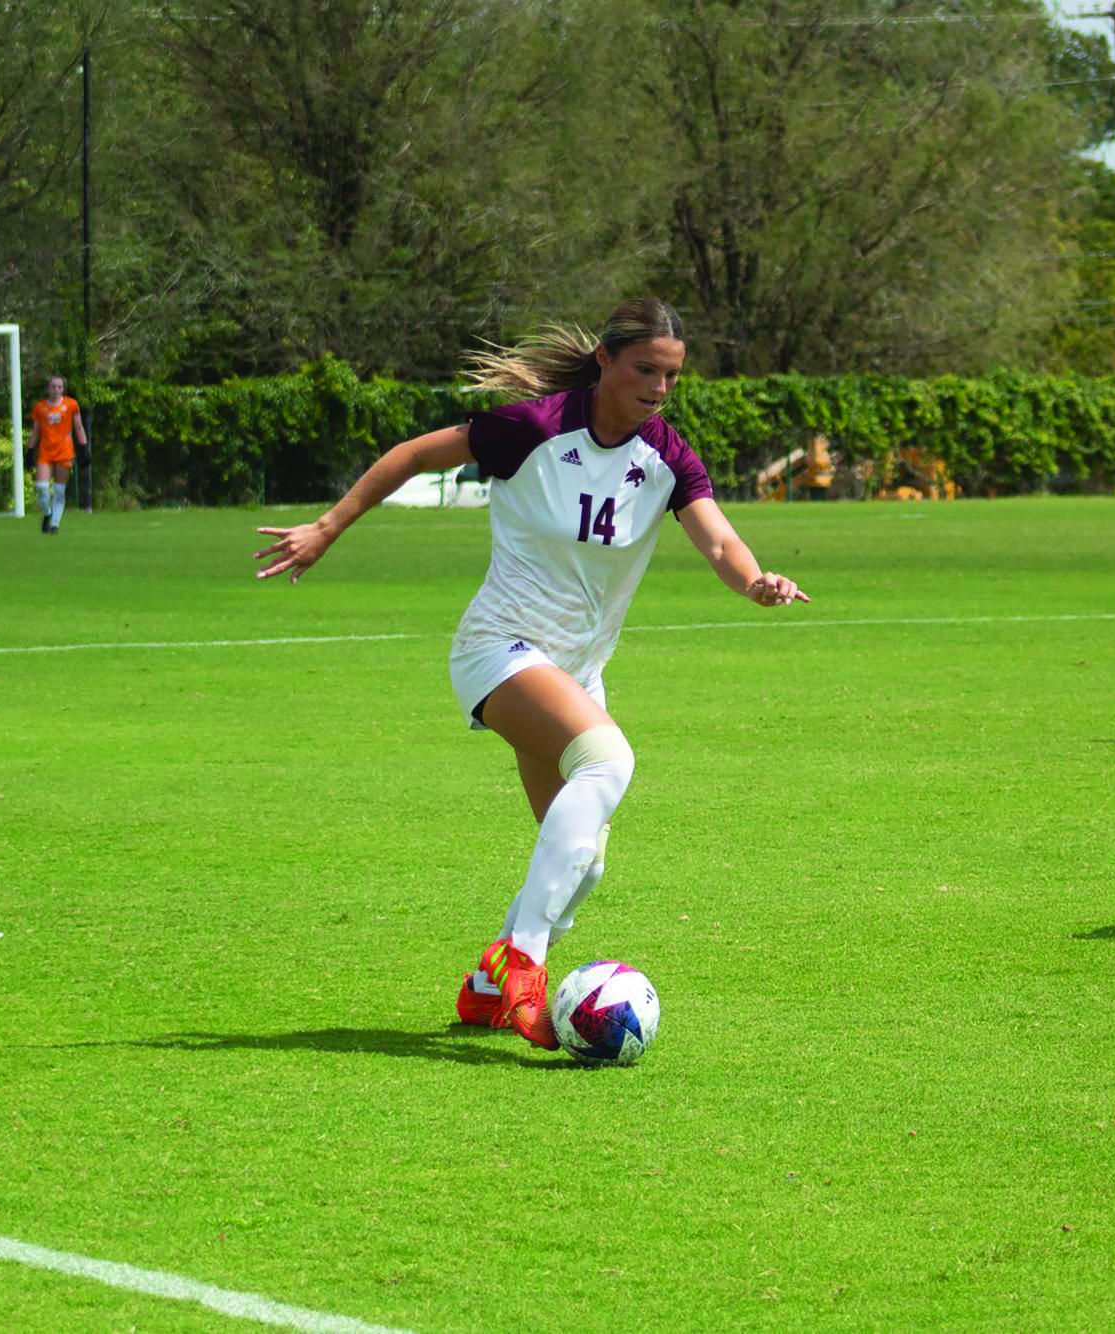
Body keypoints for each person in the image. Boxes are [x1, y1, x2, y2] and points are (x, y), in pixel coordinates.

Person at [253, 299, 809, 1048]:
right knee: (609, 762)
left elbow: (718, 544)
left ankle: (487, 985)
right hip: (501, 648)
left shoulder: (667, 457)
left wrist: (754, 582)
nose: (658, 387)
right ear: (606, 362)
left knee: (582, 861)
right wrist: (328, 525)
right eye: (645, 369)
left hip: (575, 673)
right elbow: (413, 456)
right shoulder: (534, 428)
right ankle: (525, 963)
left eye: (671, 375)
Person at [30, 375, 88, 534]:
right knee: (41, 487)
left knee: (59, 490)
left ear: (63, 389)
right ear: (48, 389)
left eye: (59, 387)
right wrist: (29, 450)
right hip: (45, 453)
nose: (56, 390)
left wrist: (83, 448)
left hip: (64, 451)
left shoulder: (71, 405)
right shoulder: (40, 407)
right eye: (53, 387)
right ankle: (48, 514)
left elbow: (78, 427)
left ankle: (55, 523)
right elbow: (36, 431)